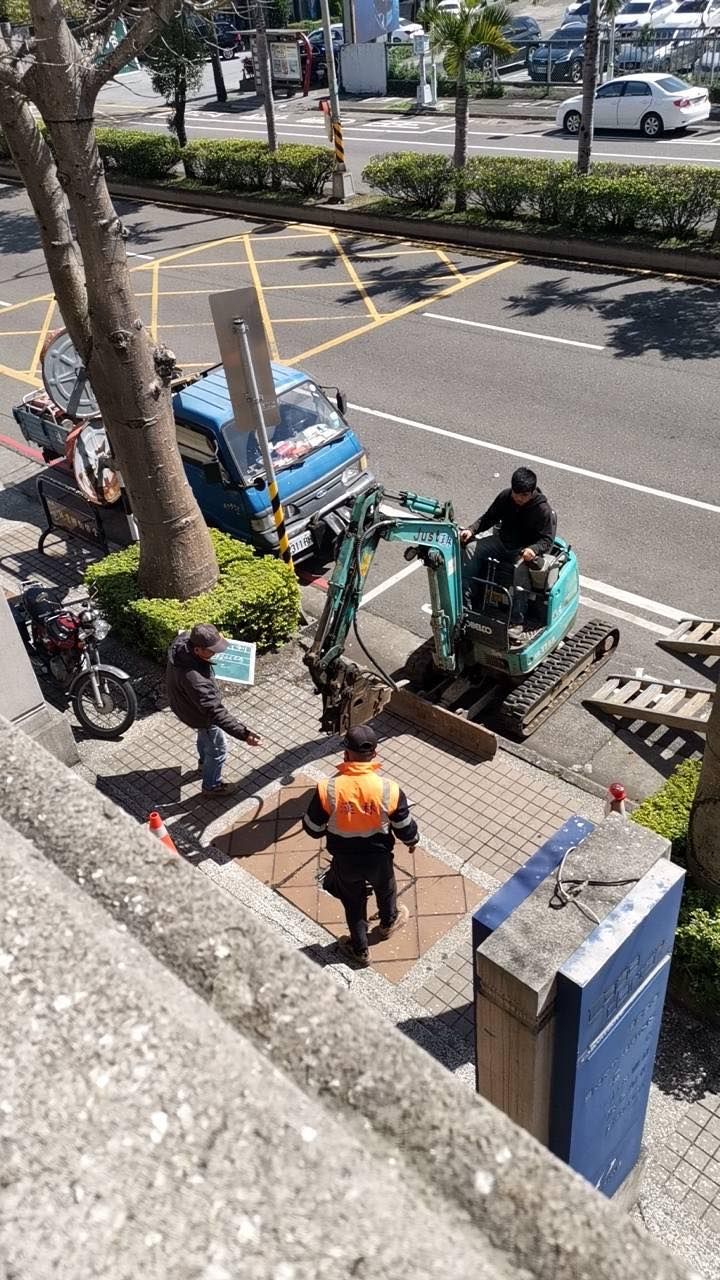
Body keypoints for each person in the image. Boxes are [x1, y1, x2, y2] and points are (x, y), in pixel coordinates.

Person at [302, 724, 419, 968]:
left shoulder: (328, 789)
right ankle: (388, 924)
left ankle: (360, 950)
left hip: (345, 861)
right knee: (386, 891)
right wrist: (411, 841)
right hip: (379, 858)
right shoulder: (389, 789)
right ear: (375, 754)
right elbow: (404, 826)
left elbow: (312, 829)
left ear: (345, 753)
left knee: (353, 903)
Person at [166, 623, 261, 799]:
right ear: (197, 650)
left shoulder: (183, 641)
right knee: (218, 750)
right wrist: (244, 734)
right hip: (199, 715)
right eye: (211, 650)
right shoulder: (196, 681)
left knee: (204, 736)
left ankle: (203, 764)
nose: (216, 653)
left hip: (184, 706)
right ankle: (211, 786)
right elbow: (215, 712)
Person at [460, 467, 554, 638]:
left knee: (520, 570)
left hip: (522, 551)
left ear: (532, 492)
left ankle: (517, 620)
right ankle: (466, 604)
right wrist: (471, 529)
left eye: (523, 495)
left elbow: (547, 541)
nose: (518, 498)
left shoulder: (543, 511)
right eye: (516, 494)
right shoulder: (505, 497)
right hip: (501, 542)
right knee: (471, 549)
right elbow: (489, 517)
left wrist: (533, 549)